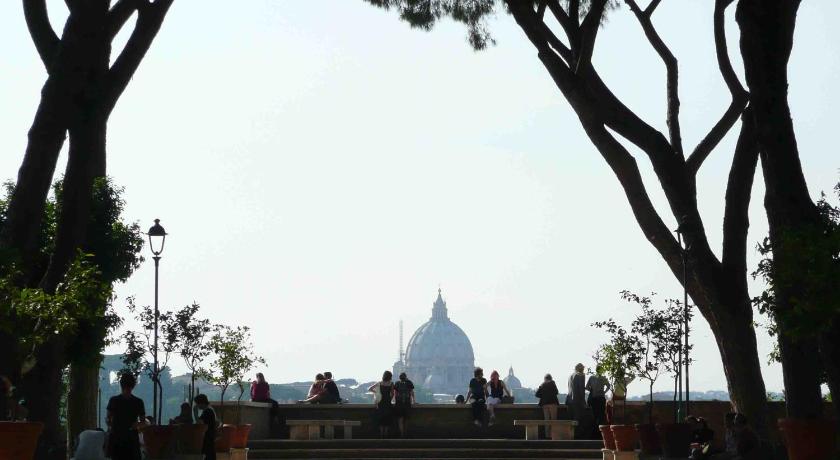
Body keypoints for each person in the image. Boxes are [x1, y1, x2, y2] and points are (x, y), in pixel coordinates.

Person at [106, 373, 147, 460]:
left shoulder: (114, 401)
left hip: (116, 438)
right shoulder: (138, 402)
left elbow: (108, 419)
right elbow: (143, 422)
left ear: (121, 385)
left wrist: (112, 425)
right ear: (133, 385)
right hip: (131, 439)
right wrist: (136, 425)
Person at [368, 371, 394, 438]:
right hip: (388, 402)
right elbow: (392, 394)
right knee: (387, 419)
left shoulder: (379, 383)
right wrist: (390, 399)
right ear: (390, 377)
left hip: (380, 402)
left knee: (381, 419)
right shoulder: (391, 384)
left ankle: (381, 435)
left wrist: (376, 392)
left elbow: (370, 389)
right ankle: (386, 434)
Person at [585, 365, 610, 434]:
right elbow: (609, 386)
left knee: (595, 415)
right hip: (601, 398)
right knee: (601, 415)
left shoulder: (591, 377)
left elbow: (586, 387)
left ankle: (594, 432)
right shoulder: (603, 378)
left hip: (594, 399)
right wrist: (604, 392)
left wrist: (592, 390)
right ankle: (601, 432)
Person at [535, 373, 560, 439]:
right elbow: (556, 392)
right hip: (553, 404)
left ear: (545, 379)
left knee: (546, 421)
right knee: (554, 420)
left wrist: (543, 395)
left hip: (545, 404)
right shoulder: (553, 383)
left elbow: (537, 394)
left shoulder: (542, 384)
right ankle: (554, 436)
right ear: (551, 378)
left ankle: (547, 436)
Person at [566, 363, 587, 435]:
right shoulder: (580, 375)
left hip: (569, 400)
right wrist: (584, 401)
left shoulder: (570, 376)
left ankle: (570, 435)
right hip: (577, 400)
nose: (583, 370)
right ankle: (577, 435)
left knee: (570, 419)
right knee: (577, 418)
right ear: (581, 368)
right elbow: (581, 389)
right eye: (583, 368)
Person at [194, 394, 217, 460]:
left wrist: (195, 413)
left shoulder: (208, 411)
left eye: (197, 403)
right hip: (209, 437)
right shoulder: (209, 410)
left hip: (208, 438)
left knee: (208, 455)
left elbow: (200, 423)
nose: (197, 406)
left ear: (201, 403)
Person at [393, 372, 415, 437]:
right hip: (407, 403)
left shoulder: (397, 383)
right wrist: (414, 400)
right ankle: (405, 433)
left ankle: (401, 434)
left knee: (400, 420)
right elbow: (412, 392)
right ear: (406, 377)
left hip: (399, 403)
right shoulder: (409, 383)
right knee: (406, 419)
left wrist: (394, 400)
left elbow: (395, 393)